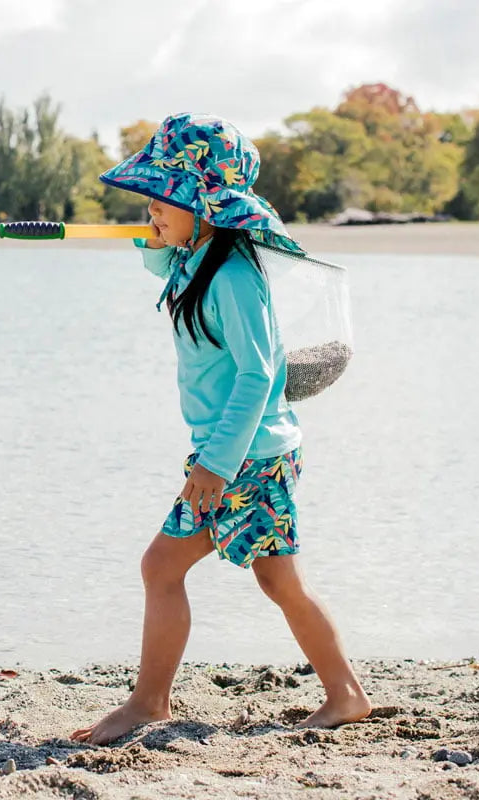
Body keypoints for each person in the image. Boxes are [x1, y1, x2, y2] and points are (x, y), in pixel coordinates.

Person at [71, 113, 370, 746]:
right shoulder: (195, 257)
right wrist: (156, 234)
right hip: (251, 452)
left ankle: (149, 702)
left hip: (245, 457)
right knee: (279, 580)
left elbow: (259, 375)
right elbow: (162, 272)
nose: (152, 206)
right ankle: (345, 694)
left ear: (207, 205)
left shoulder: (232, 275)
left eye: (165, 196)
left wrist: (215, 463)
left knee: (160, 566)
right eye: (150, 196)